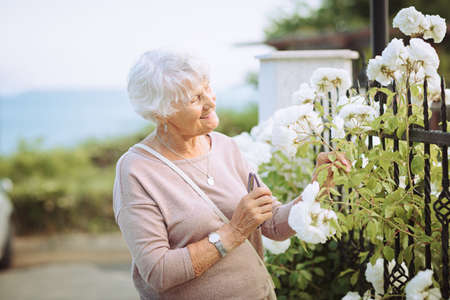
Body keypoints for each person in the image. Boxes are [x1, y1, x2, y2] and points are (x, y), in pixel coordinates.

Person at [113, 49, 351, 300]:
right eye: (195, 98)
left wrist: (318, 189)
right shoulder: (137, 170)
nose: (210, 101)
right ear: (162, 112)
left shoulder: (225, 147)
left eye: (207, 88)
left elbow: (271, 224)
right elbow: (158, 272)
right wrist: (234, 231)